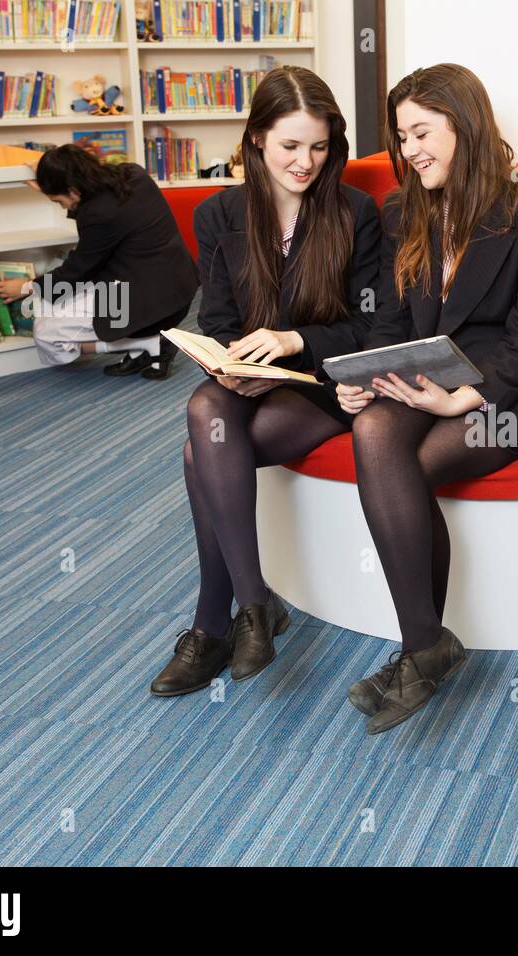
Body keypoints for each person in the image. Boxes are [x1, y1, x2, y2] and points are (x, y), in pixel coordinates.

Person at [337, 64, 518, 736]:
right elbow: (389, 321)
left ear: (463, 125)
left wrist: (463, 398)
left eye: (421, 132)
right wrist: (363, 374)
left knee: (415, 461)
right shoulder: (400, 210)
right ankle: (425, 644)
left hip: (513, 399)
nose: (408, 151)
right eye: (401, 137)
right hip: (426, 379)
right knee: (374, 430)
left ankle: (419, 650)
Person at [149, 66, 380, 696]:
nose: (305, 162)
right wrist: (233, 364)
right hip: (249, 382)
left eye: (319, 146)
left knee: (202, 448)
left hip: (322, 384)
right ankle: (253, 604)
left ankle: (217, 620)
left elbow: (371, 326)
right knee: (206, 409)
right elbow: (219, 322)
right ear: (255, 139)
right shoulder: (219, 214)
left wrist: (292, 342)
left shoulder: (356, 213)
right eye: (290, 145)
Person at [0, 144, 197, 379]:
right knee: (52, 305)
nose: (62, 206)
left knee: (46, 334)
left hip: (142, 297)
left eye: (58, 201)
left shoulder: (97, 215)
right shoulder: (133, 174)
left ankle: (149, 344)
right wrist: (52, 183)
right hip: (178, 285)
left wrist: (26, 287)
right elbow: (102, 216)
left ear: (74, 191)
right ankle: (144, 348)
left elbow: (78, 270)